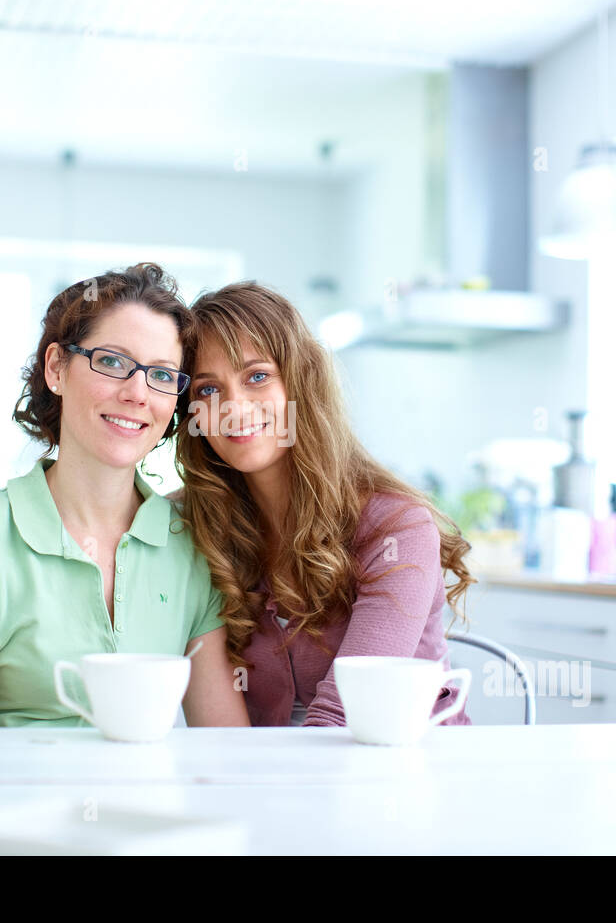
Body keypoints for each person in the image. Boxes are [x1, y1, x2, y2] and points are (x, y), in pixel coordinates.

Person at [0, 263, 247, 727]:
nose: (137, 393)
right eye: (111, 362)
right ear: (56, 369)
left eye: (163, 376)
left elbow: (223, 748)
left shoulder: (189, 544)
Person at [173, 281, 475, 727]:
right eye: (207, 390)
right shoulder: (191, 522)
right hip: (275, 779)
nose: (233, 407)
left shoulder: (395, 528)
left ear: (301, 382)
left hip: (404, 771)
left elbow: (345, 712)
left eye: (257, 376)